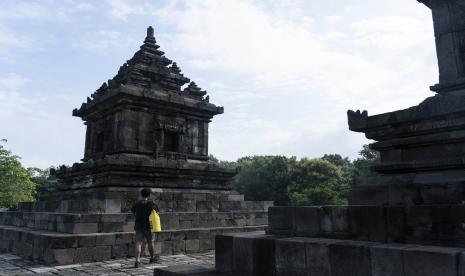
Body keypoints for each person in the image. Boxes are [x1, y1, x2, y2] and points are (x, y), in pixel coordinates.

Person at [131, 188, 159, 268]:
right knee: (150, 242)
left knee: (138, 243)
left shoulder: (137, 203)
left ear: (141, 194)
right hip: (149, 226)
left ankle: (137, 261)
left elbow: (133, 212)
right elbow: (156, 212)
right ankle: (152, 258)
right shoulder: (151, 203)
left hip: (139, 226)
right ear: (149, 195)